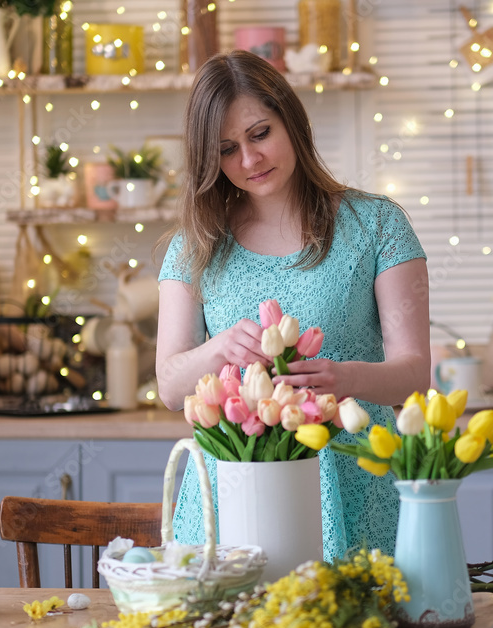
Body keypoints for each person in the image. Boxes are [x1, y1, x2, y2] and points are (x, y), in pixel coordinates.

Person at [155, 50, 430, 560]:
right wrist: (218, 350)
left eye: (260, 134)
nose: (250, 160)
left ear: (293, 121)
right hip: (230, 494)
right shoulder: (195, 247)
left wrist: (345, 378)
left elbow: (415, 375)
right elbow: (171, 388)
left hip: (356, 479)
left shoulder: (377, 226)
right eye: (227, 149)